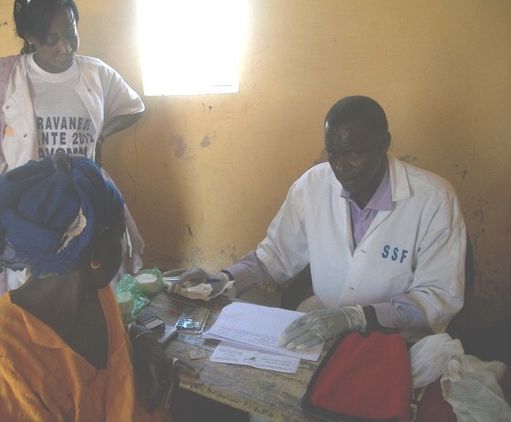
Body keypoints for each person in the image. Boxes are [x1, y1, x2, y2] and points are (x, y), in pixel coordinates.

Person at [172, 95, 467, 348]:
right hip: (322, 318)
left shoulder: (434, 199)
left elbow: (436, 299)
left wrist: (358, 317)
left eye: (354, 153)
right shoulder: (312, 184)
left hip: (396, 339)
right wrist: (225, 278)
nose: (341, 167)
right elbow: (275, 256)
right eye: (334, 153)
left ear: (383, 143)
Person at [0, 0, 146, 305]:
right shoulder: (1, 79)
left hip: (85, 210)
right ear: (29, 37)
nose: (65, 47)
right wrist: (3, 172)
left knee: (89, 301)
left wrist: (102, 135)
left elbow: (134, 106)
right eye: (52, 40)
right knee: (34, 308)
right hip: (30, 219)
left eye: (70, 32)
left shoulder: (97, 74)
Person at [0, 153, 172, 421]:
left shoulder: (95, 294)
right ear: (96, 253)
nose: (123, 246)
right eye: (120, 234)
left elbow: (119, 342)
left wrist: (143, 340)